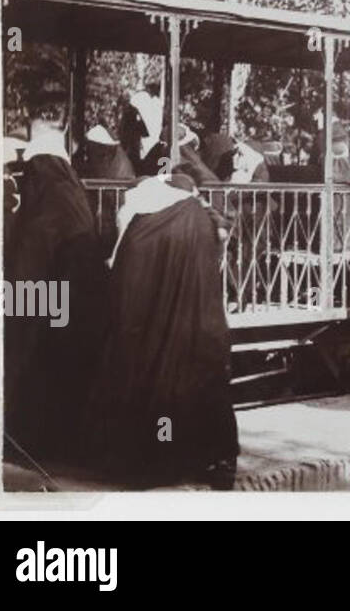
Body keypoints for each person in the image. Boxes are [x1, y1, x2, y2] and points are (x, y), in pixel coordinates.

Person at [82, 172, 238, 488]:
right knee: (204, 384)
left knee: (154, 390)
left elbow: (126, 285)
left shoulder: (141, 222)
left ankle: (155, 459)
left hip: (151, 331)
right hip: (199, 325)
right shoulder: (195, 214)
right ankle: (219, 459)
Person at [4, 118, 109, 466]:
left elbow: (27, 275)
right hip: (78, 310)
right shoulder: (73, 200)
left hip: (48, 311)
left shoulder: (44, 212)